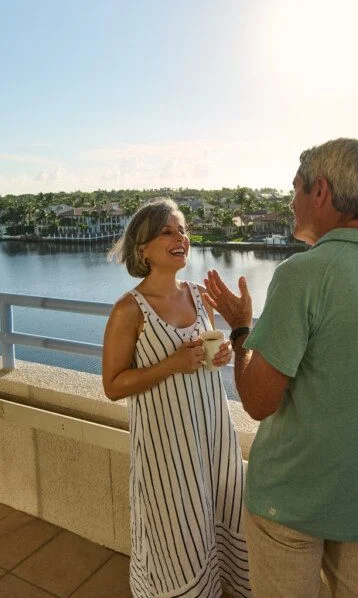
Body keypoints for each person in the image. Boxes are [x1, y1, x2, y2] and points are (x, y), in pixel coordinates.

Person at [203, 138, 358, 598]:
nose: (290, 200)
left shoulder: (302, 275)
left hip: (289, 504)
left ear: (321, 192)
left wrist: (240, 330)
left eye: (295, 188)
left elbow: (257, 401)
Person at [102, 197, 252, 598]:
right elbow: (113, 385)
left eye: (182, 229)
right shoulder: (128, 310)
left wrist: (220, 356)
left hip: (212, 434)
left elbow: (203, 359)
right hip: (167, 446)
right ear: (143, 248)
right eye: (167, 231)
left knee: (223, 514)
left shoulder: (199, 296)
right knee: (177, 531)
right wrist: (168, 364)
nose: (179, 237)